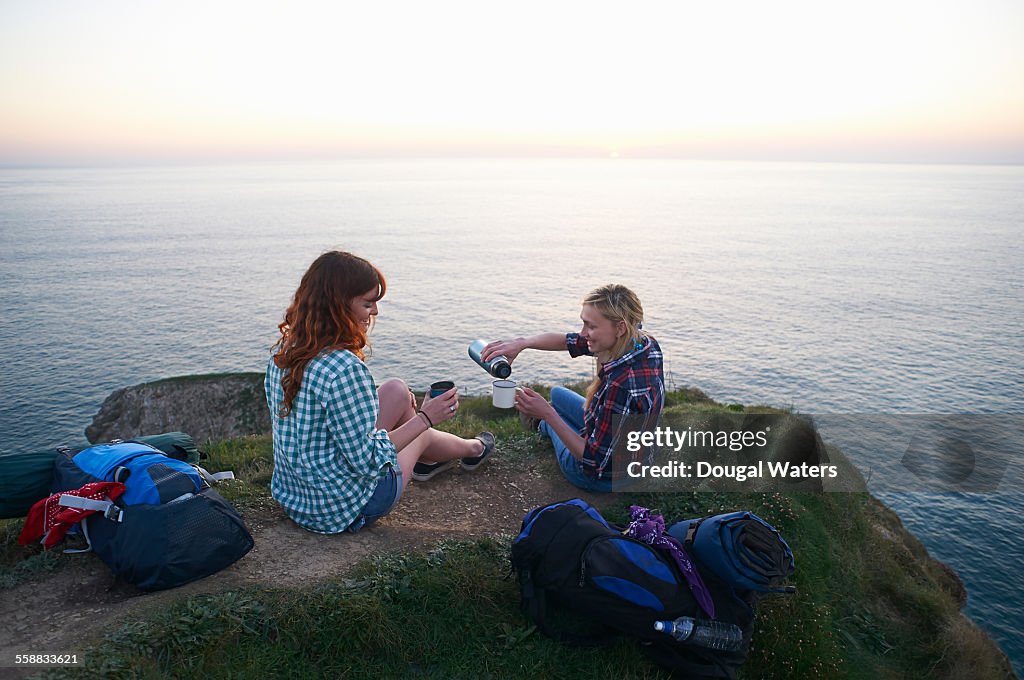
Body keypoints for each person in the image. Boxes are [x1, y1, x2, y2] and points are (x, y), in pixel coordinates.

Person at [265, 251, 494, 534]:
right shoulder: (345, 369)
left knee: (396, 390)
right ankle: (471, 449)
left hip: (298, 498)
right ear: (338, 306)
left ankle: (442, 457)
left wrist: (401, 413)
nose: (375, 312)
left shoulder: (284, 352)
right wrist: (425, 418)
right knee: (417, 431)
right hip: (343, 508)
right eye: (367, 303)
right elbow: (369, 459)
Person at [483, 284, 663, 492]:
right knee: (557, 393)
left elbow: (594, 463)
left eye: (591, 326)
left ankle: (541, 424)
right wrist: (522, 343)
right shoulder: (644, 343)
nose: (583, 332)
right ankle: (549, 416)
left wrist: (548, 415)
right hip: (639, 454)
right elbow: (567, 341)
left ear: (620, 327)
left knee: (552, 416)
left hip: (607, 477)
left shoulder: (619, 385)